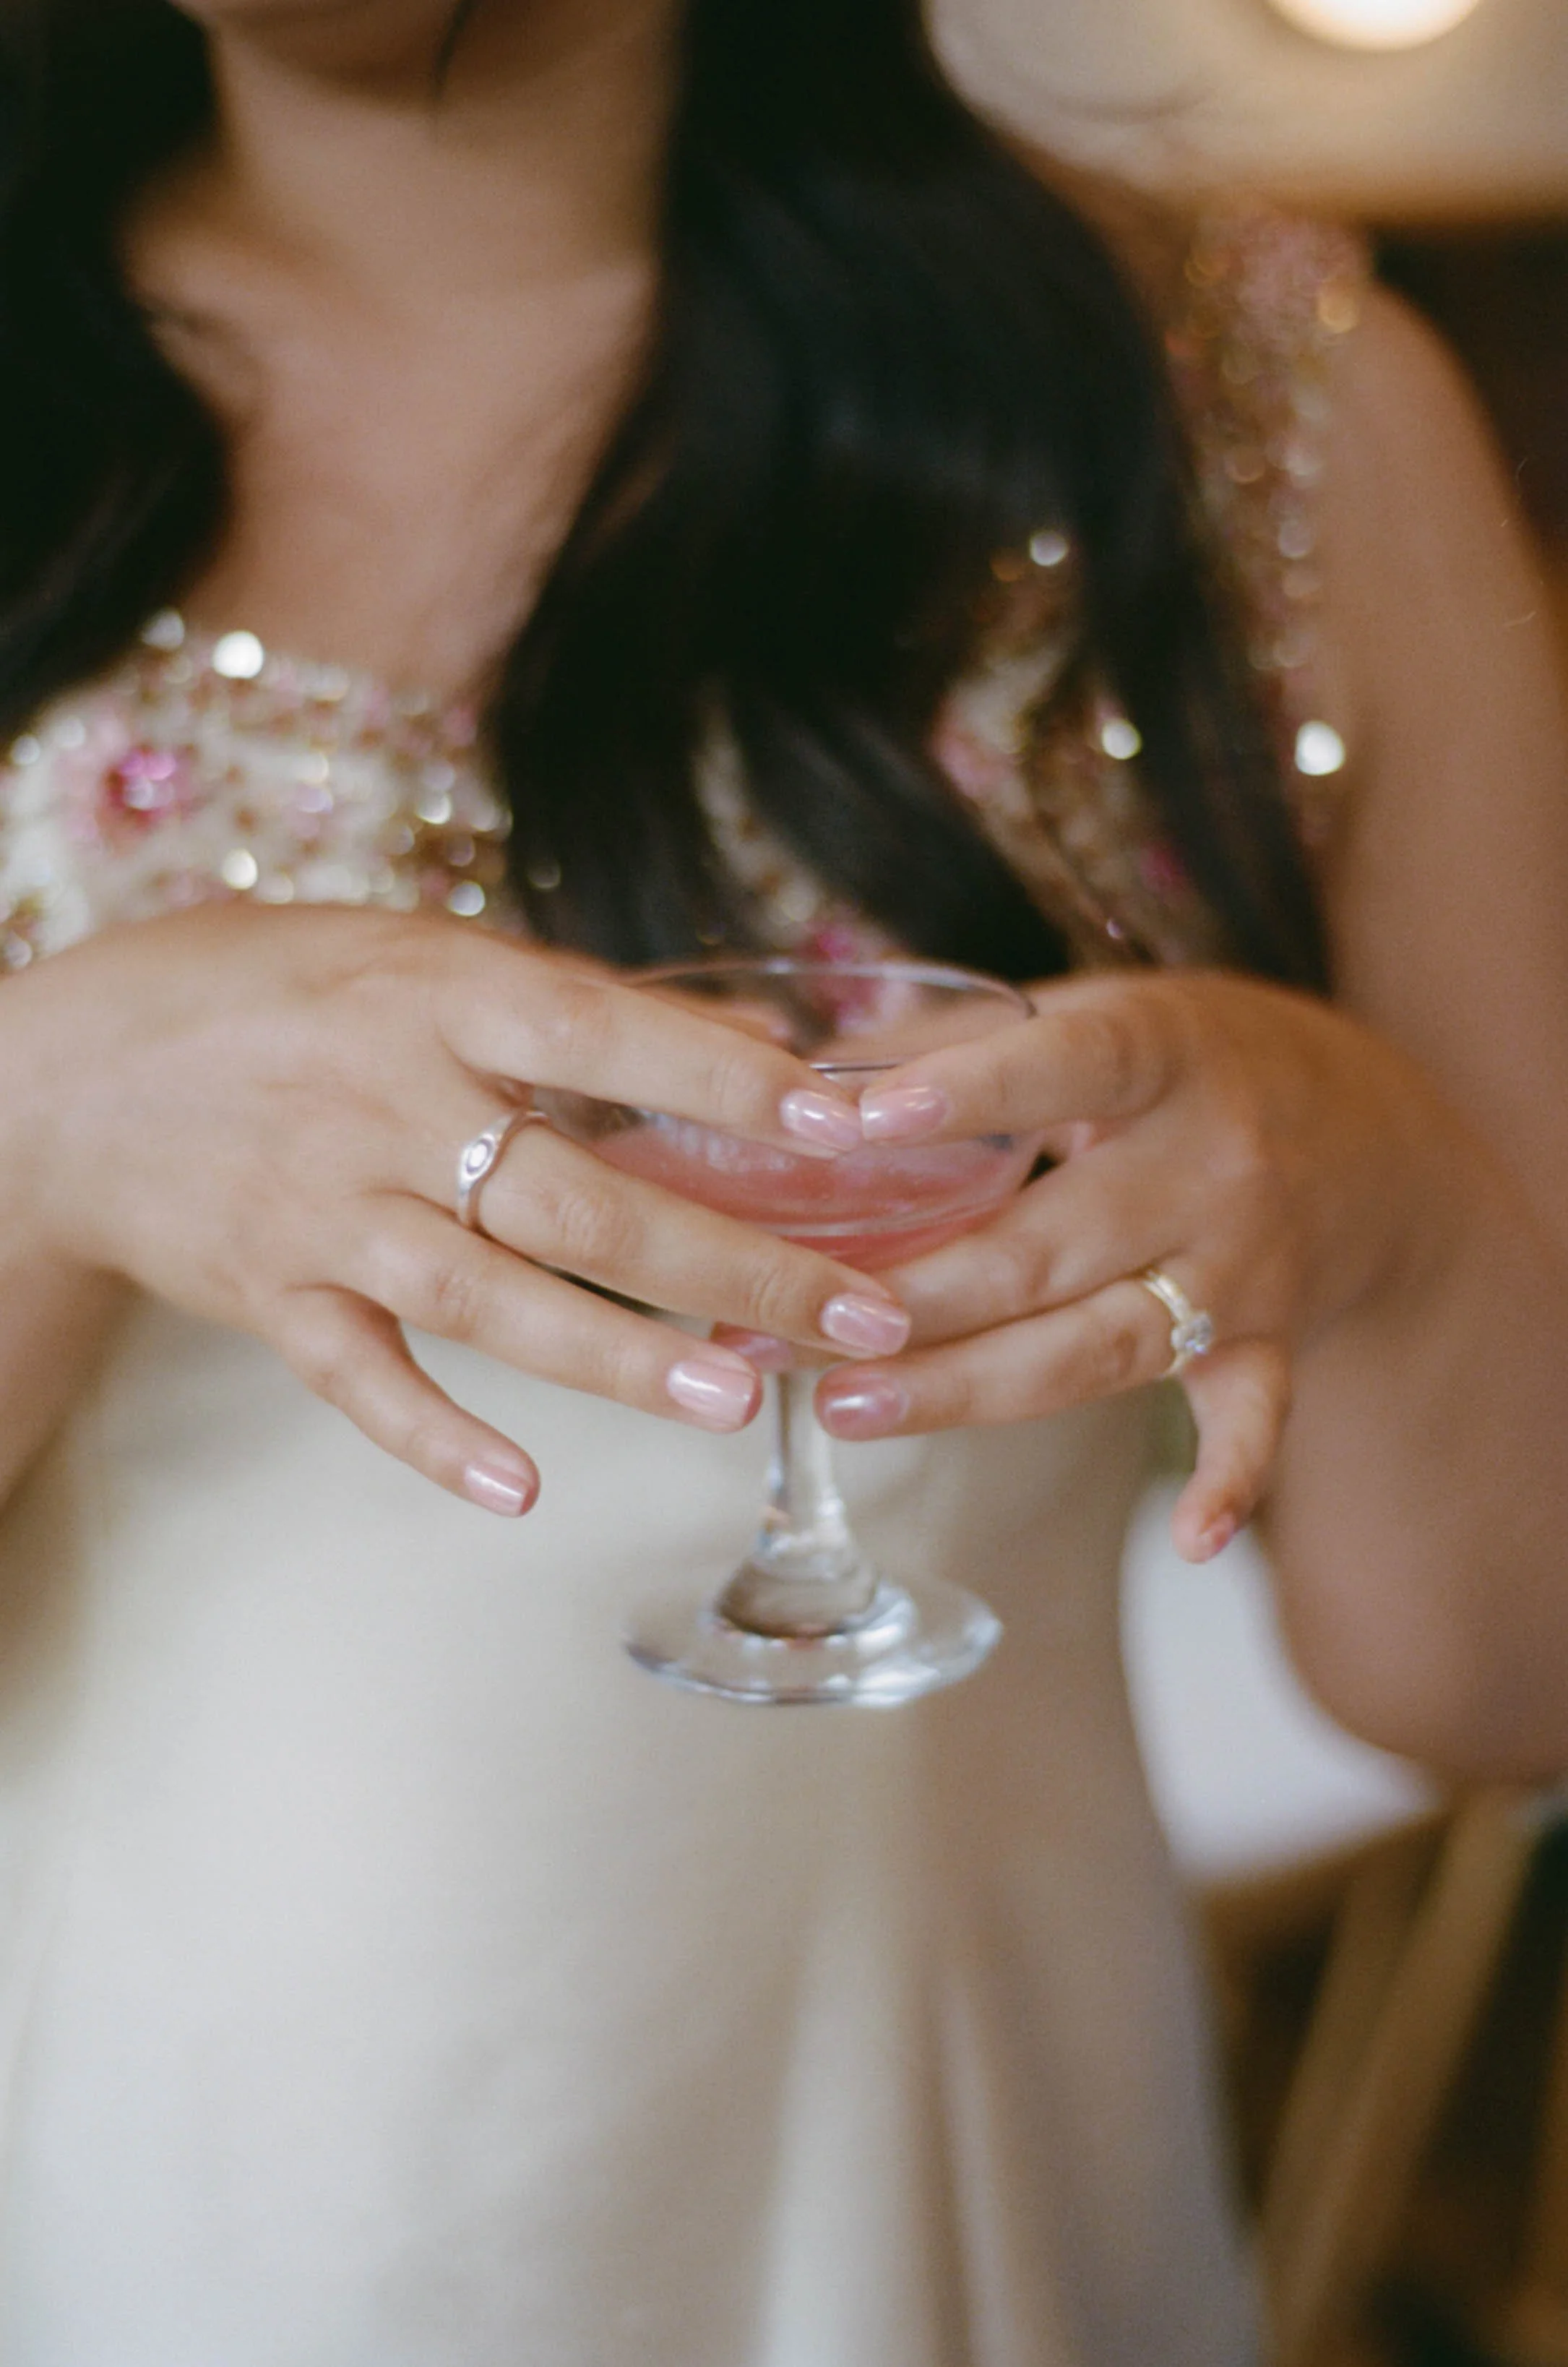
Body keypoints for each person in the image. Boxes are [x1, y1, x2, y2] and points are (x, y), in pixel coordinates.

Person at [0, 0, 1566, 2358]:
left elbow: (1505, 1677)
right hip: (163, 2196)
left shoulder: (1265, 411)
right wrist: (39, 1117)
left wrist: (1372, 1183)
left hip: (958, 2171)